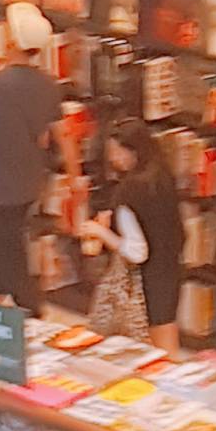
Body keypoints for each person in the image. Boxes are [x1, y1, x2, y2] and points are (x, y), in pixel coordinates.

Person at [0, 2, 79, 317]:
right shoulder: (48, 85)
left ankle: (30, 309)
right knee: (11, 239)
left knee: (6, 249)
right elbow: (64, 134)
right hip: (30, 181)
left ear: (10, 43)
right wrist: (75, 177)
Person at [80, 118, 184, 358]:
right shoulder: (162, 175)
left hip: (145, 279)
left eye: (117, 151)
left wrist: (101, 232)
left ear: (134, 151)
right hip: (170, 268)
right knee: (168, 340)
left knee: (156, 350)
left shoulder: (130, 190)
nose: (113, 158)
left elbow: (137, 252)